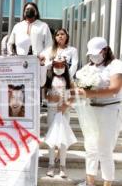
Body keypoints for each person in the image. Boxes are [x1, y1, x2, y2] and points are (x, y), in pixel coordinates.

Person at [76, 37, 122, 186]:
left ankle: (107, 182)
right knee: (90, 147)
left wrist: (91, 93)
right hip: (91, 111)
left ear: (105, 50)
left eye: (96, 53)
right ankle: (90, 182)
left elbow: (115, 88)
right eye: (91, 54)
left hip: (110, 110)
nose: (93, 57)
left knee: (105, 149)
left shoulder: (116, 65)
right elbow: (77, 84)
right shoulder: (88, 68)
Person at [44, 56, 76, 178]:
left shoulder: (69, 80)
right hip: (52, 110)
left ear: (65, 66)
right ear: (52, 66)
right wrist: (50, 98)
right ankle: (51, 164)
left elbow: (73, 95)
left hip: (64, 112)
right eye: (56, 65)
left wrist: (66, 105)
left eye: (61, 65)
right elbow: (44, 94)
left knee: (63, 140)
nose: (58, 67)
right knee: (51, 138)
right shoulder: (49, 78)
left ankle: (63, 166)